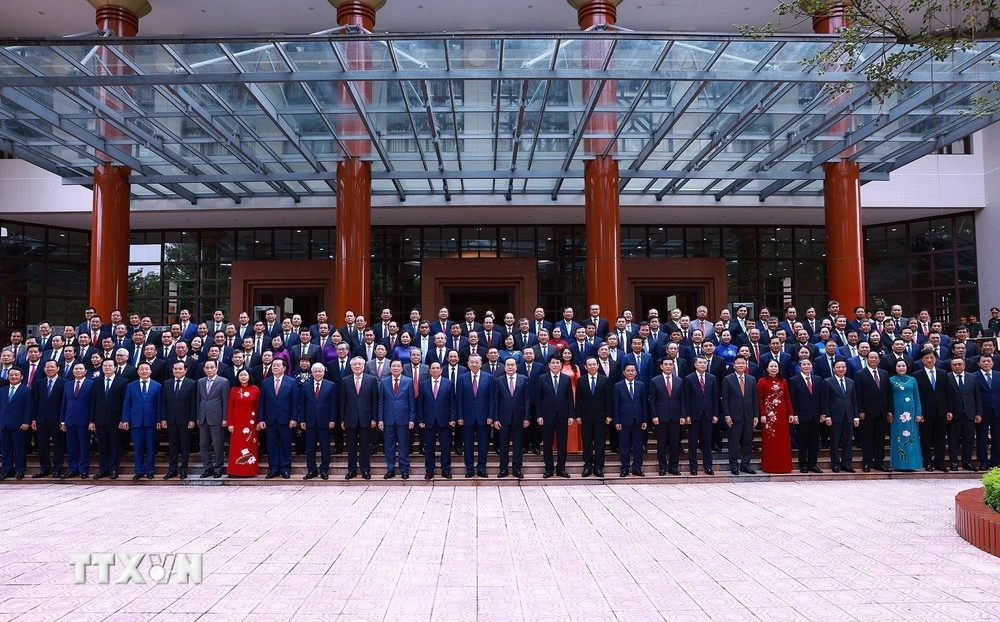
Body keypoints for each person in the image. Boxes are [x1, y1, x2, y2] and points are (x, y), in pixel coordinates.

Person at [535, 355, 574, 478]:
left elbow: (570, 399)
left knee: (562, 443)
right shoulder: (542, 378)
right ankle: (549, 469)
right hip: (547, 416)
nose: (556, 365)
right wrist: (539, 415)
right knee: (547, 443)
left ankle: (561, 468)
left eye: (558, 362)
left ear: (561, 364)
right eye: (553, 363)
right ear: (549, 364)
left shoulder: (566, 379)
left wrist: (571, 415)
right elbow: (538, 399)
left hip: (563, 416)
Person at [339, 357, 378, 480]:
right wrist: (342, 419)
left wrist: (374, 418)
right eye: (354, 364)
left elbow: (374, 401)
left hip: (366, 418)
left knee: (365, 446)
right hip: (350, 418)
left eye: (359, 364)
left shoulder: (371, 380)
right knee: (351, 446)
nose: (357, 366)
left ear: (364, 366)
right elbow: (342, 402)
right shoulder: (345, 381)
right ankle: (352, 470)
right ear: (351, 367)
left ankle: (365, 470)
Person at [259, 358, 298, 479]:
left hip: (286, 419)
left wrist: (294, 418)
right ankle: (274, 469)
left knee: (286, 444)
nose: (275, 367)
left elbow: (294, 402)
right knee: (272, 445)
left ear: (284, 368)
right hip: (270, 419)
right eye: (273, 365)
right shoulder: (265, 382)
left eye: (277, 365)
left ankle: (285, 469)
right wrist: (261, 419)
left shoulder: (291, 382)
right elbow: (262, 403)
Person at [122, 362, 161, 481]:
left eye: (146, 369)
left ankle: (149, 470)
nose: (144, 371)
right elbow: (127, 404)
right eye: (141, 369)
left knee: (150, 447)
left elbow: (159, 405)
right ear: (138, 371)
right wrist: (125, 419)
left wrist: (159, 419)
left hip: (151, 421)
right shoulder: (131, 386)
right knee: (137, 447)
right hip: (136, 421)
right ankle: (138, 470)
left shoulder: (158, 386)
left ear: (150, 371)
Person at [457, 354, 494, 478]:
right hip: (467, 418)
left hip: (483, 418)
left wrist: (490, 416)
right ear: (468, 364)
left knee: (483, 445)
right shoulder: (462, 378)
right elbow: (459, 399)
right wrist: (460, 416)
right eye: (472, 362)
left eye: (476, 362)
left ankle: (481, 469)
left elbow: (491, 399)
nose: (474, 364)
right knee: (468, 445)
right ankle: (470, 469)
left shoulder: (488, 378)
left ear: (481, 363)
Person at [491, 358, 530, 479]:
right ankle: (503, 469)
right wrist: (495, 419)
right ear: (504, 367)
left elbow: (527, 400)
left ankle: (517, 469)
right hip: (503, 418)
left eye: (512, 365)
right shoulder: (498, 380)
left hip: (519, 417)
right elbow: (495, 401)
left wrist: (527, 417)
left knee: (518, 444)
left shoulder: (524, 379)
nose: (510, 367)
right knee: (503, 445)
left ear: (516, 366)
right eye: (508, 365)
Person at [416, 361, 455, 479]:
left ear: (441, 370)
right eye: (432, 368)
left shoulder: (449, 383)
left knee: (446, 446)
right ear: (429, 370)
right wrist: (421, 420)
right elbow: (420, 404)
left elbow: (453, 402)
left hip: (445, 420)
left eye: (437, 368)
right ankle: (429, 470)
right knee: (429, 447)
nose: (435, 370)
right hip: (428, 421)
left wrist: (453, 418)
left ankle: (446, 470)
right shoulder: (423, 384)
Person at [722, 356, 760, 475]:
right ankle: (734, 465)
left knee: (748, 442)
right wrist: (727, 415)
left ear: (746, 365)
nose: (740, 365)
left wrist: (755, 415)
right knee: (733, 442)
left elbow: (755, 399)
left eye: (743, 363)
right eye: (738, 363)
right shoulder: (728, 379)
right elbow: (725, 399)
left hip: (748, 415)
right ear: (734, 365)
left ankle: (745, 464)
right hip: (734, 416)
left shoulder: (751, 379)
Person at [913, 349, 950, 471]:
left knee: (940, 438)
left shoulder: (943, 373)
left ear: (935, 359)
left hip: (941, 411)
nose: (929, 360)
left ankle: (940, 462)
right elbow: (916, 395)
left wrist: (949, 410)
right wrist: (919, 412)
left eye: (931, 357)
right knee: (926, 438)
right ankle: (928, 462)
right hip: (925, 412)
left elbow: (947, 393)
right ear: (922, 360)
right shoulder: (917, 375)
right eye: (926, 358)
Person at [91, 359, 128, 480]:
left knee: (116, 446)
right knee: (102, 446)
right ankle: (103, 469)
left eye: (110, 365)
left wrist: (123, 419)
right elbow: (93, 402)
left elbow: (125, 402)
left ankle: (113, 469)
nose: (107, 367)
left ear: (115, 368)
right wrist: (92, 420)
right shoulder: (96, 382)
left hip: (116, 420)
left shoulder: (123, 382)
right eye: (105, 366)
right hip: (100, 419)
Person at [855, 350, 892, 472]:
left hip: (882, 412)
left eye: (876, 358)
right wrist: (860, 411)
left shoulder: (884, 373)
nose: (873, 360)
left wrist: (889, 410)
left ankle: (879, 462)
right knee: (867, 438)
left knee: (880, 438)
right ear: (867, 359)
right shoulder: (860, 374)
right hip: (867, 412)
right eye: (871, 357)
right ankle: (866, 462)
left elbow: (888, 393)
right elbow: (858, 394)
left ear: (879, 360)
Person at [378, 360, 415, 479]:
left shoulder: (408, 381)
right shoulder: (384, 382)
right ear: (390, 368)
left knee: (403, 445)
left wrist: (412, 419)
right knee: (389, 445)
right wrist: (380, 419)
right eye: (393, 366)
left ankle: (404, 469)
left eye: (398, 366)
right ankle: (390, 469)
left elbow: (412, 403)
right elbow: (381, 402)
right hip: (388, 419)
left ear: (402, 368)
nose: (396, 368)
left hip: (403, 418)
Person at [298, 363, 336, 480]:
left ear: (324, 372)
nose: (318, 373)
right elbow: (302, 404)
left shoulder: (331, 385)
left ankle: (324, 470)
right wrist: (302, 420)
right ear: (312, 373)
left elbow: (334, 404)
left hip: (325, 421)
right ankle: (311, 470)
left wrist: (332, 419)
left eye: (320, 371)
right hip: (309, 421)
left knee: (325, 447)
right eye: (316, 371)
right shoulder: (305, 386)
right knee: (310, 448)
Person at [682, 356, 718, 476]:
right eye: (700, 363)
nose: (703, 364)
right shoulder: (688, 378)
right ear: (695, 364)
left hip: (708, 414)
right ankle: (693, 467)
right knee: (692, 442)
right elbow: (685, 398)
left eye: (705, 363)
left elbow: (715, 398)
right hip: (693, 415)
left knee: (707, 442)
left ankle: (708, 466)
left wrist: (715, 414)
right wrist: (686, 414)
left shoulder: (712, 378)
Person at [820, 361, 859, 473]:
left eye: (843, 367)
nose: (841, 369)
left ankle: (846, 464)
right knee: (835, 441)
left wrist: (855, 416)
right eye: (838, 367)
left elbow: (854, 400)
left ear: (846, 368)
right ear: (834, 369)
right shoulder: (827, 382)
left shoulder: (851, 382)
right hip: (834, 416)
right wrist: (827, 416)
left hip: (848, 415)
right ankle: (835, 464)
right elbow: (825, 400)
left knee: (848, 442)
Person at [576, 357, 612, 478]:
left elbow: (608, 399)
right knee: (586, 442)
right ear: (585, 367)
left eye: (594, 364)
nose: (592, 366)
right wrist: (578, 415)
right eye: (589, 365)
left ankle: (598, 467)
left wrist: (608, 415)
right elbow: (578, 400)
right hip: (585, 416)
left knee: (600, 443)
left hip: (600, 416)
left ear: (597, 366)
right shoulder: (581, 380)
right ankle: (587, 466)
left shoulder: (605, 380)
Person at [161, 361, 197, 479]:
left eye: (180, 369)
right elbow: (164, 403)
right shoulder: (167, 383)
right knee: (173, 446)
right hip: (171, 419)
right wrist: (163, 418)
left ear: (185, 370)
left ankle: (183, 469)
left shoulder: (191, 383)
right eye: (175, 369)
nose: (177, 371)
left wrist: (192, 419)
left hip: (185, 420)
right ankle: (172, 469)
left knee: (184, 446)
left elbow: (193, 404)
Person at [756, 360, 793, 474]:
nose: (773, 368)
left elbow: (787, 398)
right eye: (771, 366)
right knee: (770, 441)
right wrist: (762, 414)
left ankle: (784, 466)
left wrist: (791, 413)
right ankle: (770, 466)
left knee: (783, 440)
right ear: (766, 368)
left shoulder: (783, 381)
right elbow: (760, 399)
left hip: (782, 414)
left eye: (775, 366)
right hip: (769, 415)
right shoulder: (762, 381)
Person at [31, 360, 66, 478]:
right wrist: (34, 419)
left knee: (58, 445)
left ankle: (57, 468)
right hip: (41, 419)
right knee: (42, 445)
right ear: (44, 369)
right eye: (47, 367)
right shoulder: (38, 383)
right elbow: (35, 402)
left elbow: (64, 403)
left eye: (52, 367)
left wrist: (63, 420)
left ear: (57, 368)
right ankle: (44, 468)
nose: (50, 369)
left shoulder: (64, 382)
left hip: (57, 420)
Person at [648, 357, 683, 476]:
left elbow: (682, 400)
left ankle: (673, 467)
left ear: (673, 366)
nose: (668, 366)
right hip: (661, 417)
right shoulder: (655, 380)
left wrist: (682, 416)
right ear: (661, 366)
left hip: (675, 417)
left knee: (674, 444)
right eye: (666, 364)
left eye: (670, 364)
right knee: (661, 444)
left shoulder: (679, 380)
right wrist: (654, 416)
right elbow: (652, 400)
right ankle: (662, 467)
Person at [947, 357, 982, 471]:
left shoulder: (973, 378)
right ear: (951, 366)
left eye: (959, 364)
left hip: (969, 413)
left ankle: (967, 462)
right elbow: (945, 397)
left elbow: (977, 396)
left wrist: (978, 413)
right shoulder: (947, 377)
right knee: (953, 439)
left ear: (964, 365)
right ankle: (954, 462)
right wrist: (948, 411)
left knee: (969, 439)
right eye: (955, 365)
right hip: (953, 414)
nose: (957, 366)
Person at [197, 360, 230, 478]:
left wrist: (225, 418)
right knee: (204, 444)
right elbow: (198, 400)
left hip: (217, 417)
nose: (209, 369)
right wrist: (198, 416)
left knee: (217, 444)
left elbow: (226, 401)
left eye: (212, 367)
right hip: (203, 417)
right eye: (207, 367)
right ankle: (207, 467)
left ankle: (218, 467)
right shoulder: (200, 382)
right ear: (204, 369)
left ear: (217, 368)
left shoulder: (223, 382)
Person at [787, 359, 822, 473]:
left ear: (812, 366)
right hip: (801, 416)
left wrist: (823, 413)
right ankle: (803, 464)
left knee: (814, 442)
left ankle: (813, 464)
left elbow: (821, 398)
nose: (806, 366)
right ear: (799, 366)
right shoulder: (794, 380)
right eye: (804, 364)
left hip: (815, 415)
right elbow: (793, 399)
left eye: (808, 364)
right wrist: (795, 414)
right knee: (803, 442)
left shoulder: (817, 379)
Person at [613, 362, 647, 477]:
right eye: (628, 371)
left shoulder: (641, 385)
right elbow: (616, 405)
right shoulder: (618, 386)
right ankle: (625, 468)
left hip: (638, 420)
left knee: (638, 446)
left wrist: (645, 420)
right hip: (623, 420)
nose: (630, 372)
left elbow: (644, 403)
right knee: (624, 446)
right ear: (624, 373)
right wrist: (616, 421)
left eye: (633, 370)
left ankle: (637, 467)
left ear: (636, 372)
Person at [887, 360, 923, 471]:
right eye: (899, 366)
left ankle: (912, 464)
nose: (901, 367)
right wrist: (890, 412)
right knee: (898, 437)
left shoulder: (912, 380)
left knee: (911, 437)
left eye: (903, 365)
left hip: (910, 413)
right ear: (895, 367)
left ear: (907, 367)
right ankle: (899, 464)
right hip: (897, 413)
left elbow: (917, 397)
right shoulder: (891, 380)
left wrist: (918, 413)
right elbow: (888, 398)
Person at [60, 362, 93, 479]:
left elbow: (92, 404)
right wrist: (62, 421)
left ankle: (84, 469)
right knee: (71, 446)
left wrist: (91, 421)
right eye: (76, 369)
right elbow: (64, 403)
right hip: (69, 420)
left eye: (80, 368)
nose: (78, 370)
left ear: (85, 371)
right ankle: (73, 469)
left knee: (84, 446)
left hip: (84, 420)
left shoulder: (91, 384)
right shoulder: (68, 384)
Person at [0, 368, 32, 479]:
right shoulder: (2, 390)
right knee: (5, 449)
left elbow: (28, 408)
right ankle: (7, 470)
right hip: (4, 424)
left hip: (19, 425)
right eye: (11, 375)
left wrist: (26, 422)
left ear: (21, 377)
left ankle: (19, 470)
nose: (13, 377)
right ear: (8, 376)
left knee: (19, 449)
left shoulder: (27, 390)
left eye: (16, 375)